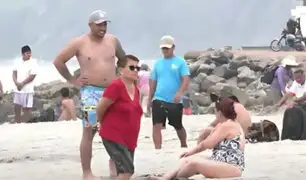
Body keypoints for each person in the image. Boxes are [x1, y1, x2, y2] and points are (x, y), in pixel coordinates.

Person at [53, 10, 125, 180]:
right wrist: (73, 79)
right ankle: (87, 172)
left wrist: (122, 76)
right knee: (89, 129)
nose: (103, 27)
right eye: (99, 24)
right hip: (91, 92)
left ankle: (114, 165)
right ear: (91, 25)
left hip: (112, 92)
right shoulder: (79, 43)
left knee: (115, 129)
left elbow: (123, 59)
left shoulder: (113, 40)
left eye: (105, 24)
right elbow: (58, 61)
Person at [151, 98, 245, 179]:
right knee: (187, 159)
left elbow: (207, 144)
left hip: (232, 167)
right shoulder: (227, 124)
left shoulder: (228, 125)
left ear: (219, 112)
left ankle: (174, 178)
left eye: (215, 112)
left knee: (193, 164)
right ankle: (166, 177)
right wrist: (191, 154)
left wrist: (191, 151)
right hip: (220, 160)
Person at [97, 55, 143, 180]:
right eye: (132, 67)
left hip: (129, 139)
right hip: (113, 135)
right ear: (121, 69)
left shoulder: (136, 89)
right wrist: (101, 122)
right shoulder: (115, 86)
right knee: (127, 171)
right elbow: (101, 107)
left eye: (138, 68)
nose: (135, 71)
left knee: (124, 172)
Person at [148, 35, 190, 149]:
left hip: (174, 100)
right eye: (163, 48)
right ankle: (157, 148)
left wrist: (180, 92)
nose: (165, 50)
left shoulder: (180, 62)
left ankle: (183, 144)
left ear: (173, 47)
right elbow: (152, 82)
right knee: (156, 125)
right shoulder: (158, 63)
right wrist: (149, 100)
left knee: (178, 125)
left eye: (167, 48)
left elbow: (185, 79)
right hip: (159, 98)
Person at [276, 69, 306, 140]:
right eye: (296, 78)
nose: (298, 79)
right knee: (289, 111)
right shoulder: (296, 82)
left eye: (299, 77)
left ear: (304, 76)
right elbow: (289, 93)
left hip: (303, 103)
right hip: (298, 103)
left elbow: (304, 96)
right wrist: (279, 103)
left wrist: (294, 100)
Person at [12, 45, 39, 123]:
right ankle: (18, 122)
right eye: (28, 53)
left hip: (28, 89)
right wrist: (16, 83)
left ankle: (27, 122)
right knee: (17, 106)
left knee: (27, 108)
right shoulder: (17, 61)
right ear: (23, 54)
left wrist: (22, 84)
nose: (29, 55)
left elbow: (32, 76)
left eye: (30, 53)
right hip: (18, 89)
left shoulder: (34, 62)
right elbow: (14, 73)